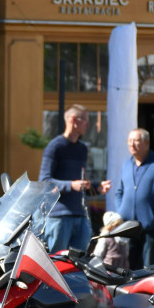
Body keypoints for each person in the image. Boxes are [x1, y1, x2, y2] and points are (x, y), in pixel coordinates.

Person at [39, 104, 111, 252]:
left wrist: (96, 186)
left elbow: (80, 183)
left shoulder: (82, 149)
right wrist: (71, 185)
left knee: (78, 267)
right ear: (73, 120)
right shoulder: (55, 147)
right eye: (85, 119)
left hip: (81, 216)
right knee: (55, 264)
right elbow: (45, 181)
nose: (88, 124)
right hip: (59, 217)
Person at [113, 128, 154, 268]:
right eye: (129, 141)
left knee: (149, 267)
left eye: (136, 140)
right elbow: (119, 191)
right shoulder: (126, 164)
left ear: (147, 143)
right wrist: (120, 210)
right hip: (128, 227)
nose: (132, 144)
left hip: (149, 227)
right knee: (129, 267)